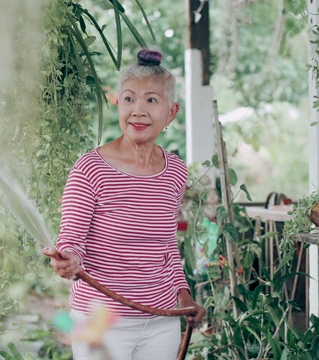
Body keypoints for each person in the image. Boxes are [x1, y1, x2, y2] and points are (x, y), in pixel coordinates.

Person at [43, 48, 206, 360]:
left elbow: (166, 245)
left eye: (151, 100)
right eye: (129, 98)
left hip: (162, 320)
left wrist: (184, 295)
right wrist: (68, 260)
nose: (138, 111)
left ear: (171, 112)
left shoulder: (175, 171)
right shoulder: (90, 169)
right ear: (118, 103)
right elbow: (71, 240)